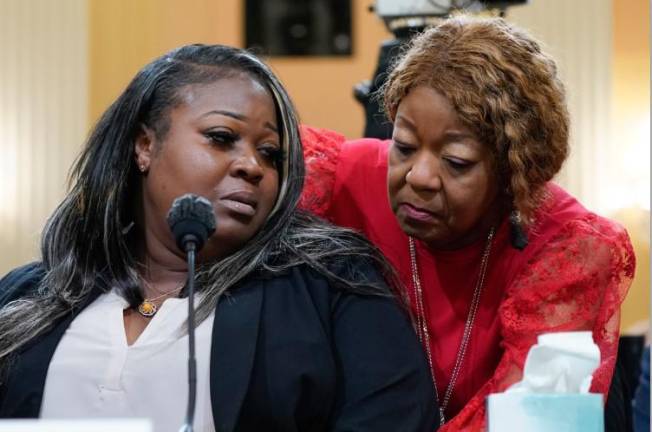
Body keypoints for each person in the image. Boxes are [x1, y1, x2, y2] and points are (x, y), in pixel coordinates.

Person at [0, 44, 438, 431]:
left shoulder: (332, 288)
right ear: (144, 146)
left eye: (270, 154)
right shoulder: (25, 297)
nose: (253, 166)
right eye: (221, 138)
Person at [299, 15, 635, 431]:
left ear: (515, 174)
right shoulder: (343, 179)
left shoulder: (566, 247)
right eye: (403, 146)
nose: (417, 176)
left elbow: (527, 420)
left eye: (456, 162)